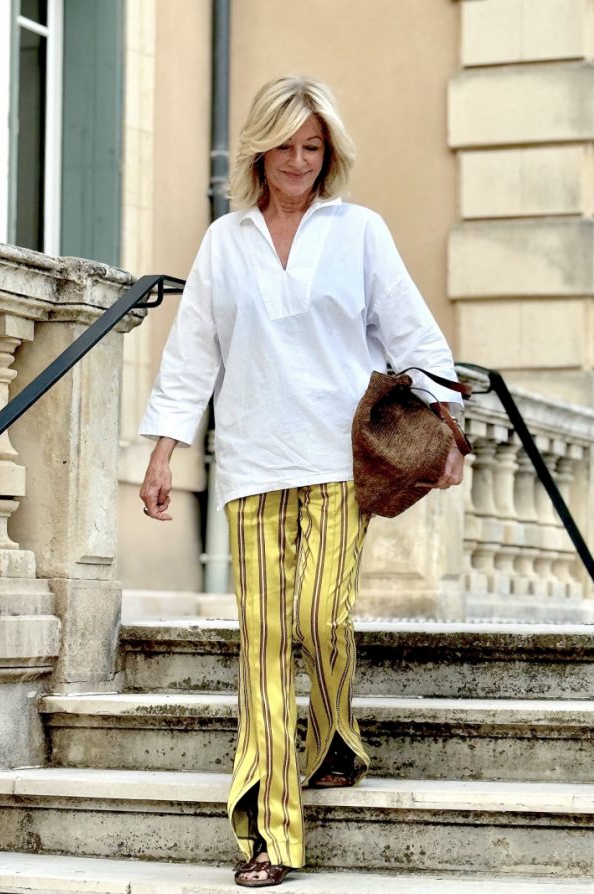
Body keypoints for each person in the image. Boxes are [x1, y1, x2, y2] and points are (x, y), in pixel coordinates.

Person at [138, 75, 467, 888]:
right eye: (284, 145)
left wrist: (447, 425)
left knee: (320, 615)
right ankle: (266, 833)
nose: (297, 161)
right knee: (261, 645)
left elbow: (409, 327)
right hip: (250, 466)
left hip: (335, 463)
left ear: (329, 153)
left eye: (312, 147)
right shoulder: (226, 242)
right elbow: (193, 355)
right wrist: (162, 450)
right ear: (261, 149)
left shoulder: (358, 232)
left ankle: (332, 738)